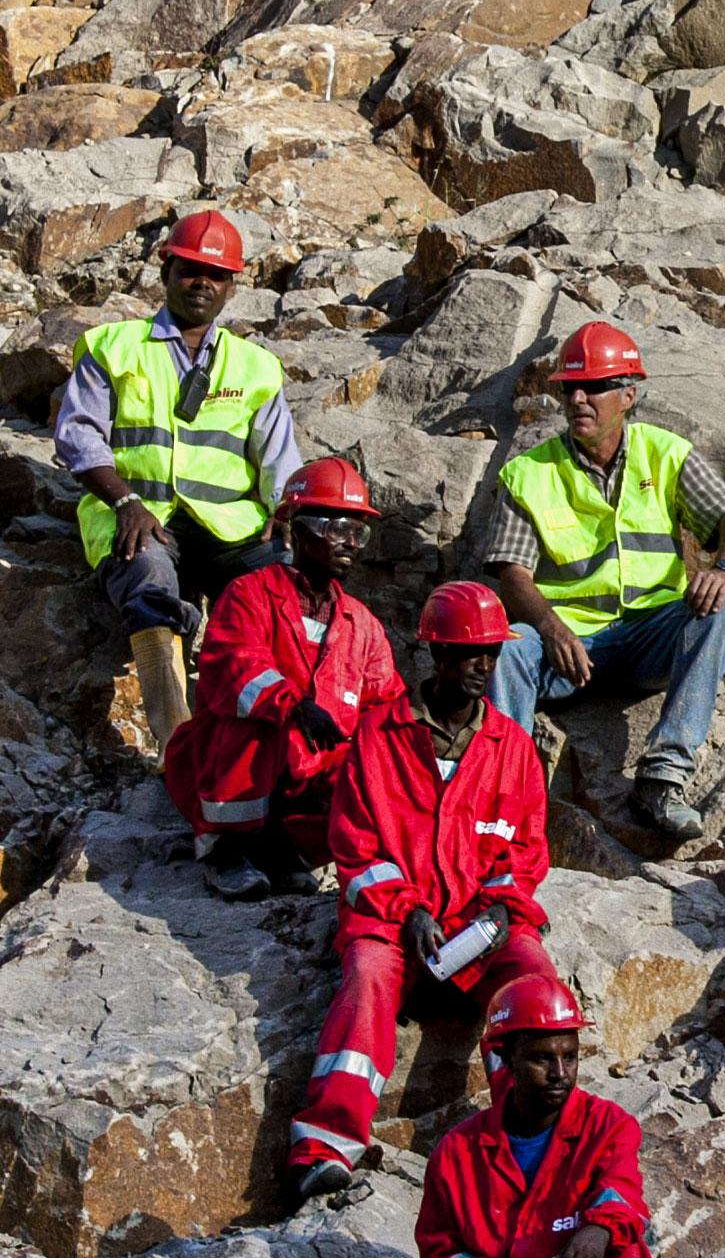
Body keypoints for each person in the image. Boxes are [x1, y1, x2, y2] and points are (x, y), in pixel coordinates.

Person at [289, 581, 556, 1200]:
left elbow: (525, 853)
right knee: (365, 978)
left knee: (532, 981)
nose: (484, 668)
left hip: (478, 927)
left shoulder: (512, 747)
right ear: (436, 655)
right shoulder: (378, 736)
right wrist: (408, 912)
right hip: (391, 925)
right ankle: (325, 1144)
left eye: (492, 654)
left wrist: (496, 912)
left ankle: (536, 1151)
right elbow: (356, 846)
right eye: (471, 655)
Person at [485, 321, 725, 844]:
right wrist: (549, 627)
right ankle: (509, 800)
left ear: (628, 395)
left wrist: (724, 569)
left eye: (595, 386)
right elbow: (511, 573)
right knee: (504, 648)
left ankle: (662, 776)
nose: (579, 398)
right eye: (570, 388)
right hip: (569, 648)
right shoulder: (529, 472)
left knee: (721, 610)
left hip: (650, 639)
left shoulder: (666, 453)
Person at [53, 209, 302, 751]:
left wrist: (285, 513)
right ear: (166, 269)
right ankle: (176, 746)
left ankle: (279, 742)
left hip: (232, 528)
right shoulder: (111, 348)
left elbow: (279, 458)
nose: (202, 283)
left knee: (281, 592)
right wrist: (124, 503)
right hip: (140, 521)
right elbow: (77, 436)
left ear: (233, 285)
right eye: (190, 269)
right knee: (149, 582)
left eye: (216, 274)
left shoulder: (255, 367)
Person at [163, 457, 403, 899]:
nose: (349, 543)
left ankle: (284, 853)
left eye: (359, 532)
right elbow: (235, 667)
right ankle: (226, 849)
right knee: (256, 721)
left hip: (305, 777)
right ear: (298, 528)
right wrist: (294, 706)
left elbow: (386, 705)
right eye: (336, 528)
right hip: (236, 764)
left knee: (376, 763)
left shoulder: (362, 625)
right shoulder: (248, 595)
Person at [417, 975, 653, 1258]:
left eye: (570, 1057)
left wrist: (598, 1230)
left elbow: (621, 1192)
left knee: (625, 1246)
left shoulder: (608, 1127)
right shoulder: (456, 1155)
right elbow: (439, 1247)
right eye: (541, 1058)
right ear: (506, 1059)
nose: (559, 1074)